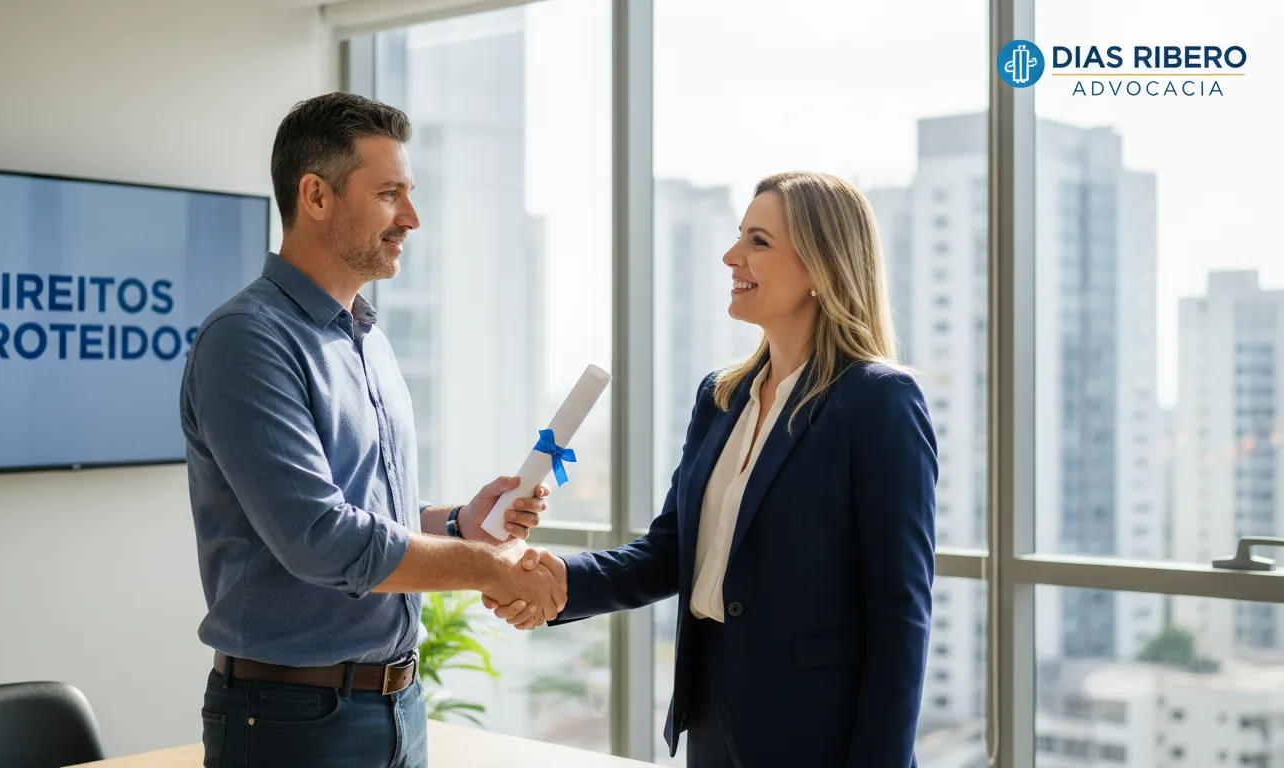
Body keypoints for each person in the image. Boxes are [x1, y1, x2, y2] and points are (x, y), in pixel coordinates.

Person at [485, 171, 938, 766]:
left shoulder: (878, 400)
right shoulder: (722, 396)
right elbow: (673, 549)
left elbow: (900, 613)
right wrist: (561, 583)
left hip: (815, 732)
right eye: (738, 237)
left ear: (820, 268)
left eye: (758, 241)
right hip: (712, 715)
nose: (731, 256)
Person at [180, 92, 565, 768]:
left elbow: (367, 517)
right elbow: (319, 539)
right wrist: (486, 568)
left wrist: (458, 525)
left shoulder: (368, 339)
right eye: (390, 195)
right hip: (291, 723)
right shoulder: (247, 340)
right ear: (317, 197)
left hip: (397, 709)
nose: (412, 219)